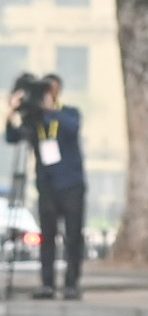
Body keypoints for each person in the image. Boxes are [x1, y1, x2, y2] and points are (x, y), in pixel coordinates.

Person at [5, 72, 87, 299]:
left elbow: (73, 128)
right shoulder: (34, 122)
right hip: (47, 187)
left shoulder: (68, 113)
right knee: (47, 237)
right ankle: (47, 284)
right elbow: (12, 137)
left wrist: (51, 110)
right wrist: (12, 110)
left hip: (72, 186)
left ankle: (71, 284)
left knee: (72, 237)